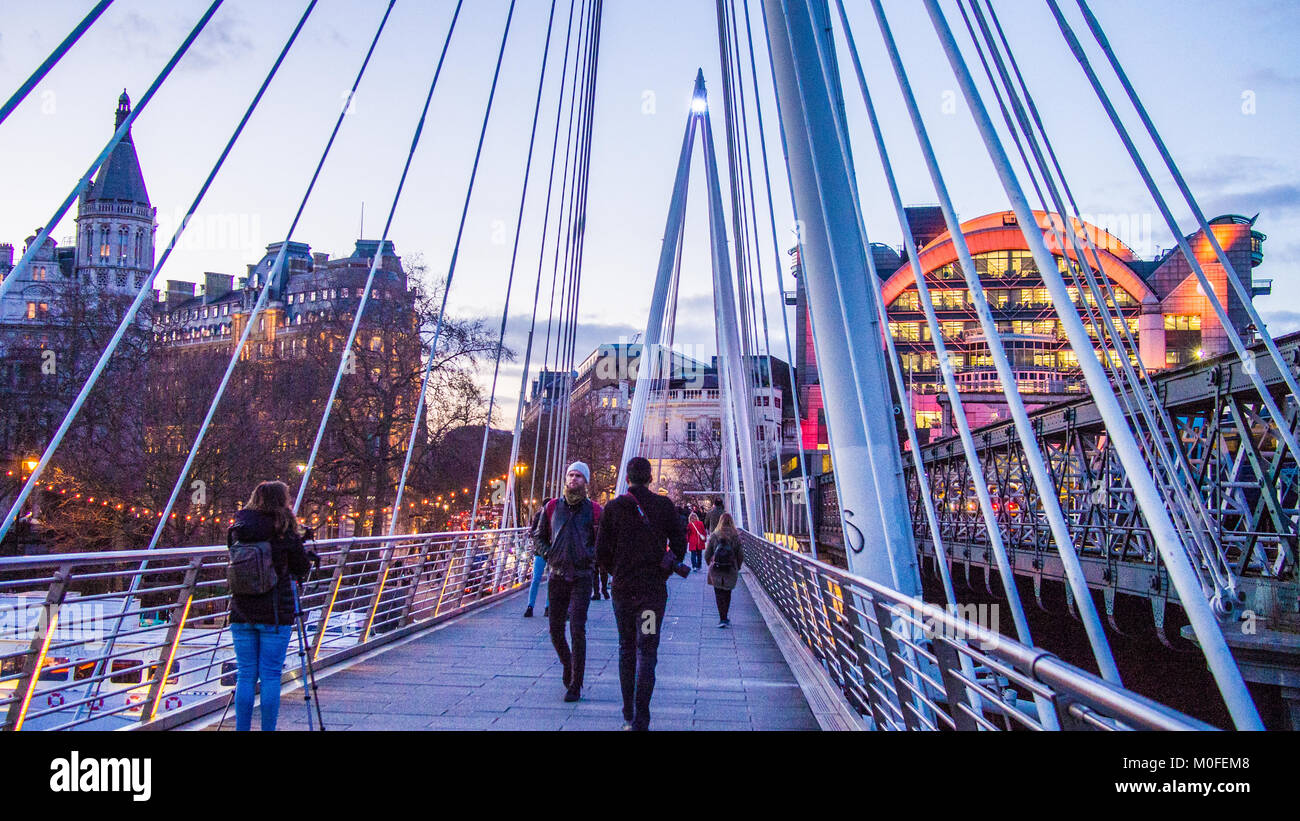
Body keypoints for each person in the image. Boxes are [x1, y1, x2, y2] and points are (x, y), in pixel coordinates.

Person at [596, 456, 687, 731]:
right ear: (650, 479)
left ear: (626, 479)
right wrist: (665, 568)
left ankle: (627, 707)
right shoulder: (663, 506)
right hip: (651, 595)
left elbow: (601, 553)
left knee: (626, 647)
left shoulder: (613, 509)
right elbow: (680, 543)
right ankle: (641, 716)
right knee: (647, 650)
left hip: (624, 593)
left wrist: (617, 571)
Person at [228, 480, 311, 732]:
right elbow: (301, 568)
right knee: (271, 676)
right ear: (282, 500)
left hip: (241, 611)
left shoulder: (238, 530)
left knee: (245, 675)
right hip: (275, 613)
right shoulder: (284, 531)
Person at [532, 462, 602, 702]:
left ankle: (576, 683)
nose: (573, 479)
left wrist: (590, 557)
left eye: (579, 476)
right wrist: (549, 554)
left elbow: (601, 543)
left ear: (586, 482)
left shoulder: (594, 511)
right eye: (571, 475)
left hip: (582, 577)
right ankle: (568, 663)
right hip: (557, 575)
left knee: (577, 628)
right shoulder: (552, 507)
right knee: (554, 630)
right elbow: (538, 537)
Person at [705, 512, 745, 628]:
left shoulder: (714, 535)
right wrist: (737, 566)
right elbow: (740, 555)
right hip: (730, 569)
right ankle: (725, 617)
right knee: (727, 593)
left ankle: (721, 617)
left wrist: (711, 564)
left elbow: (707, 554)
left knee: (718, 594)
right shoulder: (735, 536)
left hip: (716, 569)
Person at [524, 507, 547, 618]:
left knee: (536, 579)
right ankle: (548, 607)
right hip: (551, 552)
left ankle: (530, 606)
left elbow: (533, 533)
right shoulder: (556, 515)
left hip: (540, 552)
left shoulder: (538, 516)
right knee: (551, 579)